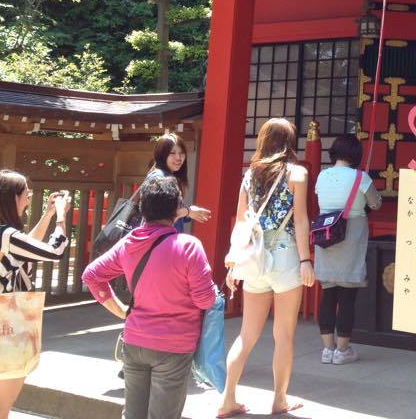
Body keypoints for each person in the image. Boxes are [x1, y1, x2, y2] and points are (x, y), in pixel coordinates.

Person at [83, 175, 216, 419]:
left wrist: (121, 309)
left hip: (135, 341)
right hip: (174, 345)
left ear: (143, 208)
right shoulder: (188, 246)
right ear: (176, 209)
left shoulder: (129, 244)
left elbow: (92, 275)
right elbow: (205, 300)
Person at [218, 118, 314, 419]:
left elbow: (242, 222)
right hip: (285, 256)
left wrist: (233, 264)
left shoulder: (250, 175)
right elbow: (300, 220)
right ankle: (279, 400)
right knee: (283, 335)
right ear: (290, 142)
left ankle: (227, 398)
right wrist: (305, 260)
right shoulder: (297, 173)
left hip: (254, 257)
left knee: (247, 335)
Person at [0, 170, 71, 419]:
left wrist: (47, 214)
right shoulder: (9, 236)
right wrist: (60, 217)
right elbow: (54, 251)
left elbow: (25, 248)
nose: (28, 199)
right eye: (25, 195)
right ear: (12, 198)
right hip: (12, 329)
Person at [313, 133, 381, 365]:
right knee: (348, 295)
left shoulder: (322, 175)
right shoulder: (361, 178)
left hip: (326, 234)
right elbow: (375, 203)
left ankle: (327, 349)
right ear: (355, 154)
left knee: (328, 294)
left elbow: (321, 200)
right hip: (351, 236)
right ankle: (343, 351)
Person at [144, 132, 210, 232]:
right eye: (172, 153)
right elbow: (160, 216)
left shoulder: (168, 176)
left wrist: (189, 212)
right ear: (162, 154)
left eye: (181, 153)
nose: (178, 158)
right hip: (160, 241)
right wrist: (188, 211)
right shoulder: (159, 178)